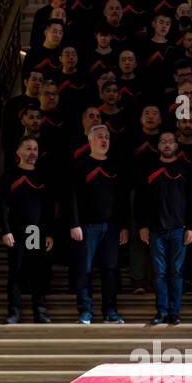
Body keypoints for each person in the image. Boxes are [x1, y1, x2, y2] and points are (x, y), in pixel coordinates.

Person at [68, 123, 128, 324]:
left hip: (111, 227)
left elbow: (122, 199)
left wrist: (124, 226)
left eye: (107, 137)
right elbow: (72, 197)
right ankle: (85, 312)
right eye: (100, 137)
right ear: (90, 140)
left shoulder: (116, 164)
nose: (104, 140)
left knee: (110, 270)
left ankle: (110, 312)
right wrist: (74, 224)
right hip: (86, 227)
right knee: (84, 270)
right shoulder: (80, 164)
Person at [136, 130, 192, 327]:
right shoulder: (149, 169)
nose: (167, 145)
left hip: (179, 229)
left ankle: (174, 313)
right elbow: (141, 201)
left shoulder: (186, 169)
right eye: (163, 142)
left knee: (177, 272)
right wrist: (143, 225)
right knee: (159, 272)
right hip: (156, 230)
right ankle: (161, 311)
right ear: (158, 146)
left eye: (171, 141)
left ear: (176, 145)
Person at [0, 136, 55, 324]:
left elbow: (48, 209)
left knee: (37, 271)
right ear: (19, 152)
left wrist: (49, 233)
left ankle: (40, 311)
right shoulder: (9, 175)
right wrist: (5, 230)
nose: (32, 152)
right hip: (16, 230)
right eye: (29, 148)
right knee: (16, 271)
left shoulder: (43, 176)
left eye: (35, 149)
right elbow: (1, 205)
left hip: (35, 231)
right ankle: (14, 312)